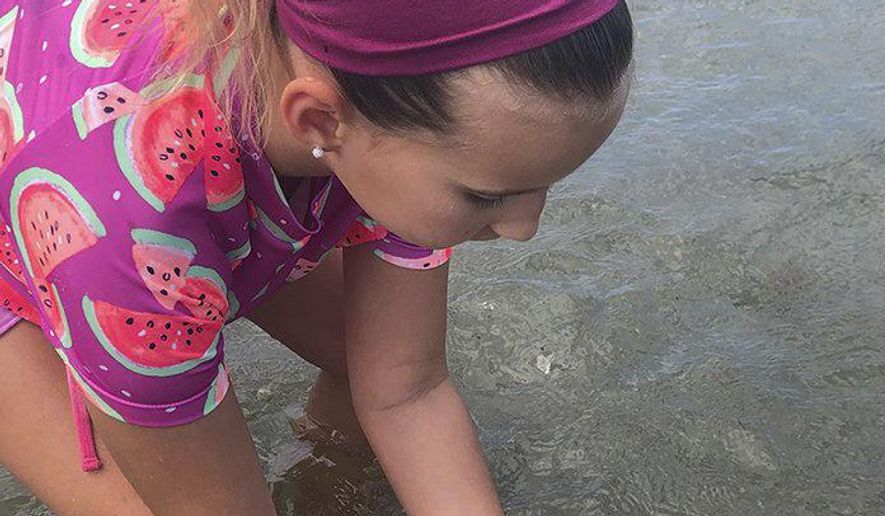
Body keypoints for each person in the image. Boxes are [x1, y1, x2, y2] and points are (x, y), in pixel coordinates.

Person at [0, 0, 634, 514]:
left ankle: (324, 492)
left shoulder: (391, 102)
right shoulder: (128, 221)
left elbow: (406, 392)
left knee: (366, 374)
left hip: (199, 193)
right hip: (81, 230)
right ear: (321, 120)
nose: (526, 228)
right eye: (487, 195)